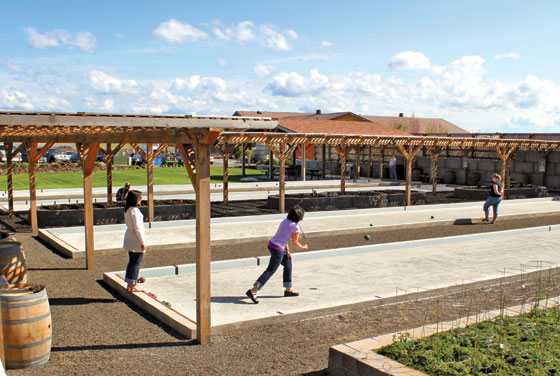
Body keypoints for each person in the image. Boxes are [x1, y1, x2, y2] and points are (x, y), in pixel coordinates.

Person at [246, 206, 309, 304]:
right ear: (299, 217)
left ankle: (288, 290)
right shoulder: (295, 226)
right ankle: (253, 291)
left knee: (288, 264)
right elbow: (295, 243)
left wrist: (287, 251)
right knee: (270, 270)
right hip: (278, 249)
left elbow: (284, 237)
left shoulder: (285, 221)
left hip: (273, 245)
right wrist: (303, 248)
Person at [123, 190, 147, 292]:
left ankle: (130, 283)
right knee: (136, 262)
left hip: (129, 236)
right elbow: (138, 228)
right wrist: (143, 241)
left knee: (132, 261)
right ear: (137, 199)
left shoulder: (127, 210)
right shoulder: (135, 211)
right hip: (135, 238)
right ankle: (133, 285)